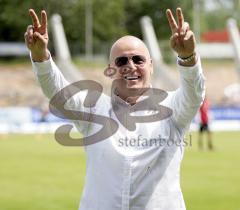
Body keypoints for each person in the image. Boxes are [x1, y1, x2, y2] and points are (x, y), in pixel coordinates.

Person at [24, 7, 205, 210]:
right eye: (121, 61)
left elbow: (194, 94)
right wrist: (40, 56)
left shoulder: (173, 108)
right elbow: (57, 91)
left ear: (151, 66)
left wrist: (188, 57)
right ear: (111, 70)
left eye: (138, 59)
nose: (130, 65)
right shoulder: (93, 109)